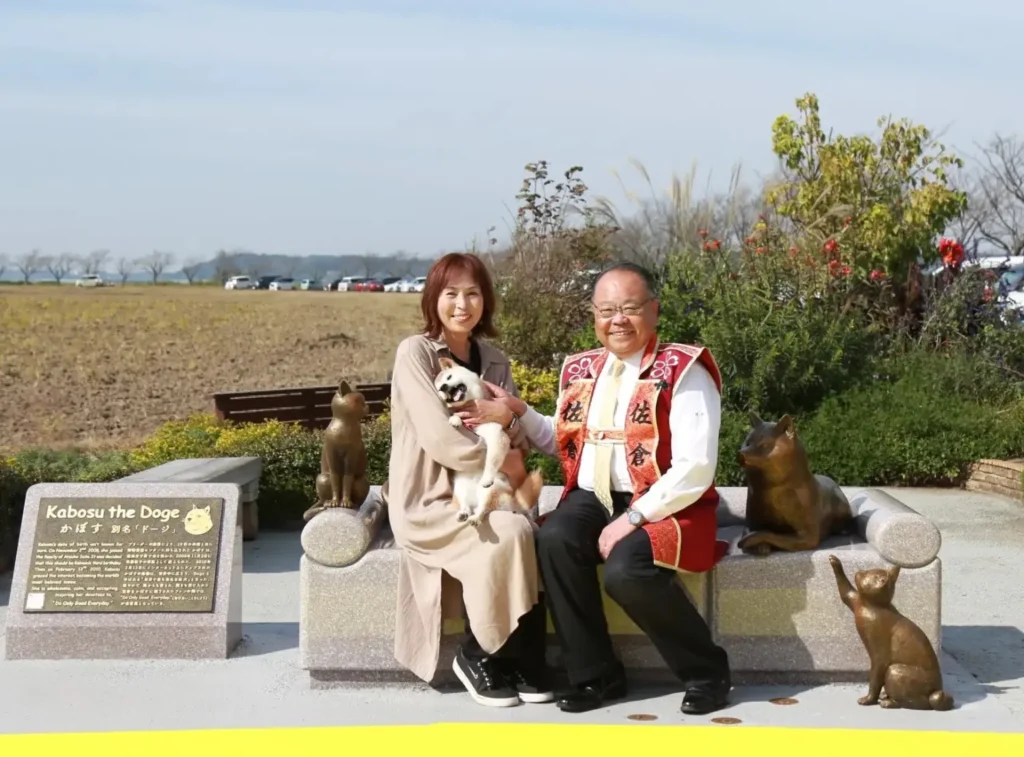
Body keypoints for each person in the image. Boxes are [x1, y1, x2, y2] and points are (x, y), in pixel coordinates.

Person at [454, 262, 732, 715]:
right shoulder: (582, 367)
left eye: (629, 308)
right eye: (606, 310)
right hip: (593, 495)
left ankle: (706, 672)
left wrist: (632, 519)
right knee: (555, 541)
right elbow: (562, 440)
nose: (617, 319)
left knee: (628, 571)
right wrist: (516, 411)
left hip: (663, 500)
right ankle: (595, 674)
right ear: (594, 316)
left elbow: (696, 468)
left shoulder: (684, 369)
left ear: (654, 311)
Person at [386, 251, 553, 708]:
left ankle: (522, 658)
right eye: (451, 293)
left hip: (492, 492)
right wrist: (500, 455)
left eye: (473, 293)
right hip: (430, 501)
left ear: (486, 301)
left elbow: (518, 437)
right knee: (514, 529)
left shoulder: (496, 361)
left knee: (541, 533)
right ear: (433, 299)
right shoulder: (416, 354)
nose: (463, 304)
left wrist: (511, 425)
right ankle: (481, 654)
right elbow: (440, 439)